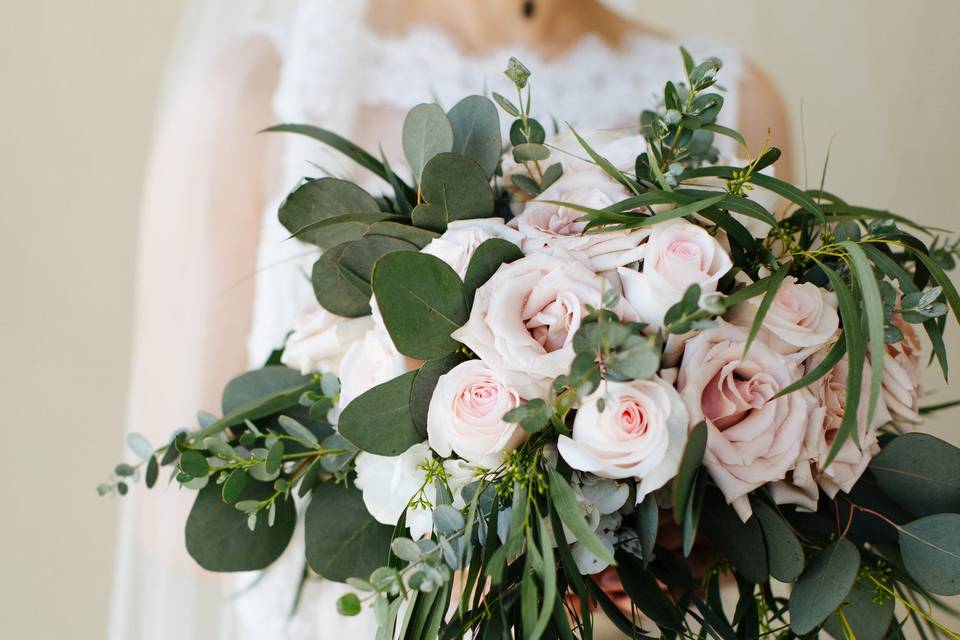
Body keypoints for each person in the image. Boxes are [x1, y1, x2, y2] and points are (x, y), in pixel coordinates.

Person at [111, 1, 790, 638]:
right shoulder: (258, 87)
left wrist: (669, 542)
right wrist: (470, 566)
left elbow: (775, 481)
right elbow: (174, 508)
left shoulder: (735, 99)